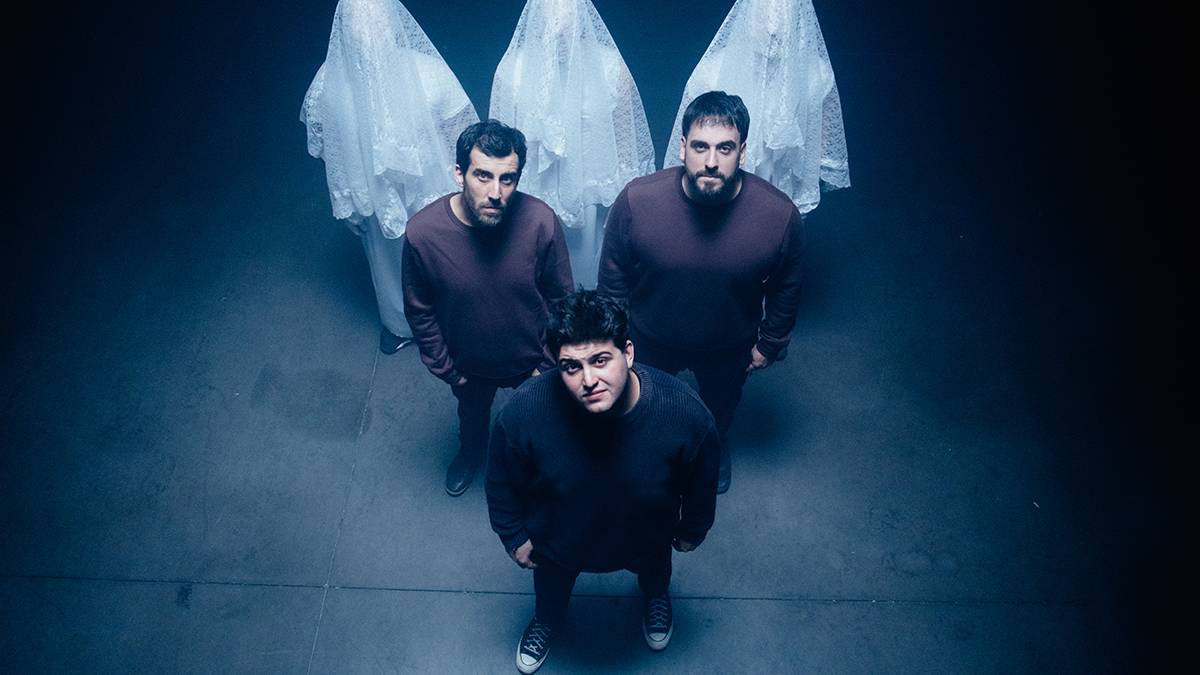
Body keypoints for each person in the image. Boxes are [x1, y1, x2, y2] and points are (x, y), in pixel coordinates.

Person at [486, 290, 719, 674]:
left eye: (600, 360)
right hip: (557, 540)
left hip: (648, 534)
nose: (589, 380)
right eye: (571, 367)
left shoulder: (683, 413)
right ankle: (547, 620)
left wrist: (694, 528)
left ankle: (655, 599)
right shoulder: (525, 411)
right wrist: (512, 534)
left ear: (628, 353)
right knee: (550, 590)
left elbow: (702, 481)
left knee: (656, 575)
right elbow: (501, 479)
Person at [598, 90, 805, 494]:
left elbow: (787, 285)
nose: (711, 161)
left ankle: (713, 449)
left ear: (742, 152)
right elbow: (613, 274)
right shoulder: (638, 200)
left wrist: (770, 343)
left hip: (728, 344)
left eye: (724, 148)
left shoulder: (779, 215)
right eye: (700, 147)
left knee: (718, 411)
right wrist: (613, 337)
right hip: (649, 337)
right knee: (646, 408)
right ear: (682, 148)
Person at [403, 120, 573, 496]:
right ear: (459, 173)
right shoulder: (422, 234)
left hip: (531, 362)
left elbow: (562, 301)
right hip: (468, 367)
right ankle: (470, 455)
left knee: (538, 424)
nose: (495, 193)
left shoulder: (541, 222)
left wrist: (546, 365)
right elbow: (420, 309)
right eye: (482, 176)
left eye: (507, 179)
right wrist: (448, 370)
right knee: (472, 419)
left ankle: (535, 468)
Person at [301, 0, 479, 354]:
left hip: (426, 194)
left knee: (431, 259)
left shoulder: (426, 74)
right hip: (380, 199)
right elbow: (327, 145)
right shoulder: (328, 83)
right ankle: (407, 325)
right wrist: (348, 193)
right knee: (394, 262)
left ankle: (435, 324)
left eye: (374, 26)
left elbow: (463, 135)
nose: (366, 36)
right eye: (358, 28)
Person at [489, 0, 655, 287]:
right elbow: (497, 148)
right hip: (530, 198)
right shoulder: (511, 71)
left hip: (594, 201)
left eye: (566, 25)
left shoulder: (611, 68)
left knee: (590, 280)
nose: (560, 34)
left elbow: (627, 143)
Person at [663, 0, 849, 214]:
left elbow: (820, 149)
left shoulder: (817, 76)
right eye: (764, 18)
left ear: (797, 22)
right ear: (748, 19)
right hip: (714, 199)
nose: (772, 29)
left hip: (782, 201)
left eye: (782, 20)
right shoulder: (711, 73)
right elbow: (687, 147)